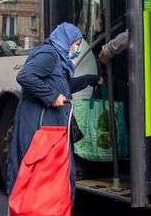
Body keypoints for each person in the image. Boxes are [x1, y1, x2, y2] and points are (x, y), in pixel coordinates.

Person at [6, 23, 101, 203]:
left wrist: (90, 80)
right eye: (76, 44)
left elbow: (63, 86)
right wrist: (51, 97)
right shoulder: (49, 55)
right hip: (40, 126)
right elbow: (25, 76)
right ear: (67, 40)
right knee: (42, 174)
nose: (77, 49)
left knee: (52, 174)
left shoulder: (58, 57)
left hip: (51, 125)